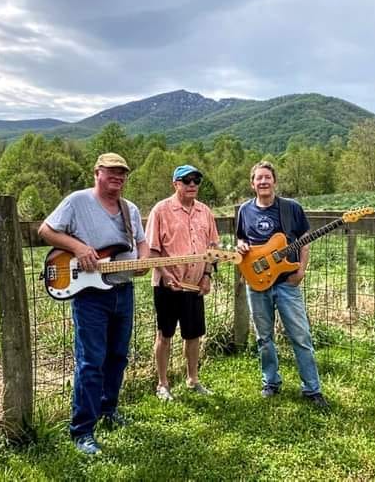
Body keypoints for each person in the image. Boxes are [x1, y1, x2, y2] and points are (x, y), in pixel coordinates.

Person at [38, 152, 150, 455]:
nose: (118, 177)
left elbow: (141, 242)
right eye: (111, 171)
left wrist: (144, 259)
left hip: (123, 290)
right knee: (91, 362)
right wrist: (78, 247)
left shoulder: (130, 209)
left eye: (122, 173)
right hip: (90, 296)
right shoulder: (77, 201)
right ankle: (82, 429)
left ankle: (108, 410)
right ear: (97, 172)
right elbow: (46, 230)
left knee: (118, 356)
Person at [235, 160, 329, 408]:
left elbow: (305, 241)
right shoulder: (244, 210)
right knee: (264, 338)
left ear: (274, 181)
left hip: (287, 282)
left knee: (300, 335)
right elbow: (241, 240)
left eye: (267, 177)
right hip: (256, 283)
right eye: (259, 178)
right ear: (252, 183)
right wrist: (241, 246)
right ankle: (271, 382)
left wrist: (301, 270)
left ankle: (312, 389)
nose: (263, 182)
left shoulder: (291, 208)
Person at [145, 165, 219, 401]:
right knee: (165, 334)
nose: (192, 185)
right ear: (175, 184)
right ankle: (163, 384)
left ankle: (193, 379)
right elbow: (152, 250)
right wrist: (166, 275)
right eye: (186, 181)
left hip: (195, 285)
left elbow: (213, 249)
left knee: (193, 334)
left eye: (196, 180)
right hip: (167, 285)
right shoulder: (160, 210)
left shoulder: (205, 212)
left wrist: (206, 275)